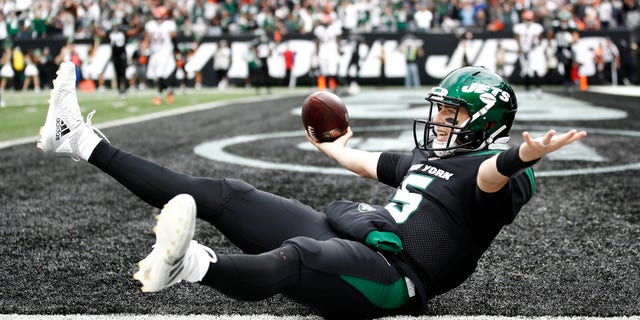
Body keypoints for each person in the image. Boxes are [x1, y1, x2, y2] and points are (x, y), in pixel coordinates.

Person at [37, 62, 587, 320]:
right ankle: (80, 140)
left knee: (300, 257)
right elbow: (366, 162)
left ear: (486, 122)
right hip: (362, 234)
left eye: (452, 112)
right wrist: (332, 147)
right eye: (440, 110)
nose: (440, 120)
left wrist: (523, 155)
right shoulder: (429, 157)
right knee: (230, 195)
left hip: (396, 279)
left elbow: (491, 176)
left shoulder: (501, 172)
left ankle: (194, 268)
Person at [142, 5, 177, 105]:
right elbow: (147, 39)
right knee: (156, 76)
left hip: (166, 52)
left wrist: (177, 52)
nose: (158, 19)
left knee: (164, 74)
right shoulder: (150, 25)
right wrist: (144, 52)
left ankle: (160, 95)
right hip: (155, 53)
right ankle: (168, 90)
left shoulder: (169, 25)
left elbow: (174, 39)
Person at [513, 10, 545, 98]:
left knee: (535, 69)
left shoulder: (537, 27)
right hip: (524, 50)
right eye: (526, 19)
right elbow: (517, 37)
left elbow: (539, 39)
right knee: (526, 70)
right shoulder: (519, 27)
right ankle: (527, 89)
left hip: (534, 51)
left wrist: (535, 45)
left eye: (529, 19)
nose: (528, 21)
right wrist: (521, 48)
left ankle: (538, 88)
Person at [547, 10, 579, 93]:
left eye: (566, 20)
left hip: (568, 49)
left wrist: (571, 40)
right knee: (555, 65)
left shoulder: (571, 27)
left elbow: (576, 38)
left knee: (569, 65)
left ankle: (569, 82)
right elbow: (550, 34)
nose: (564, 22)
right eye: (562, 20)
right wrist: (549, 43)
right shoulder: (556, 26)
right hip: (559, 49)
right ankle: (562, 82)